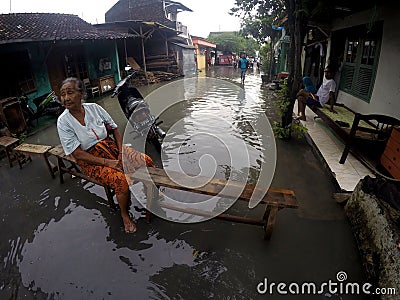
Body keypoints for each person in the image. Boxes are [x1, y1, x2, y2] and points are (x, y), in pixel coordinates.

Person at [57, 77, 154, 234]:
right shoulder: (63, 122)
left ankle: (148, 193)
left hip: (111, 147)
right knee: (120, 180)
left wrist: (122, 152)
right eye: (62, 94)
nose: (66, 98)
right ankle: (124, 214)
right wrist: (108, 163)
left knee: (147, 161)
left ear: (81, 93)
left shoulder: (95, 108)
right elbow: (76, 153)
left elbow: (114, 129)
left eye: (70, 92)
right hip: (90, 159)